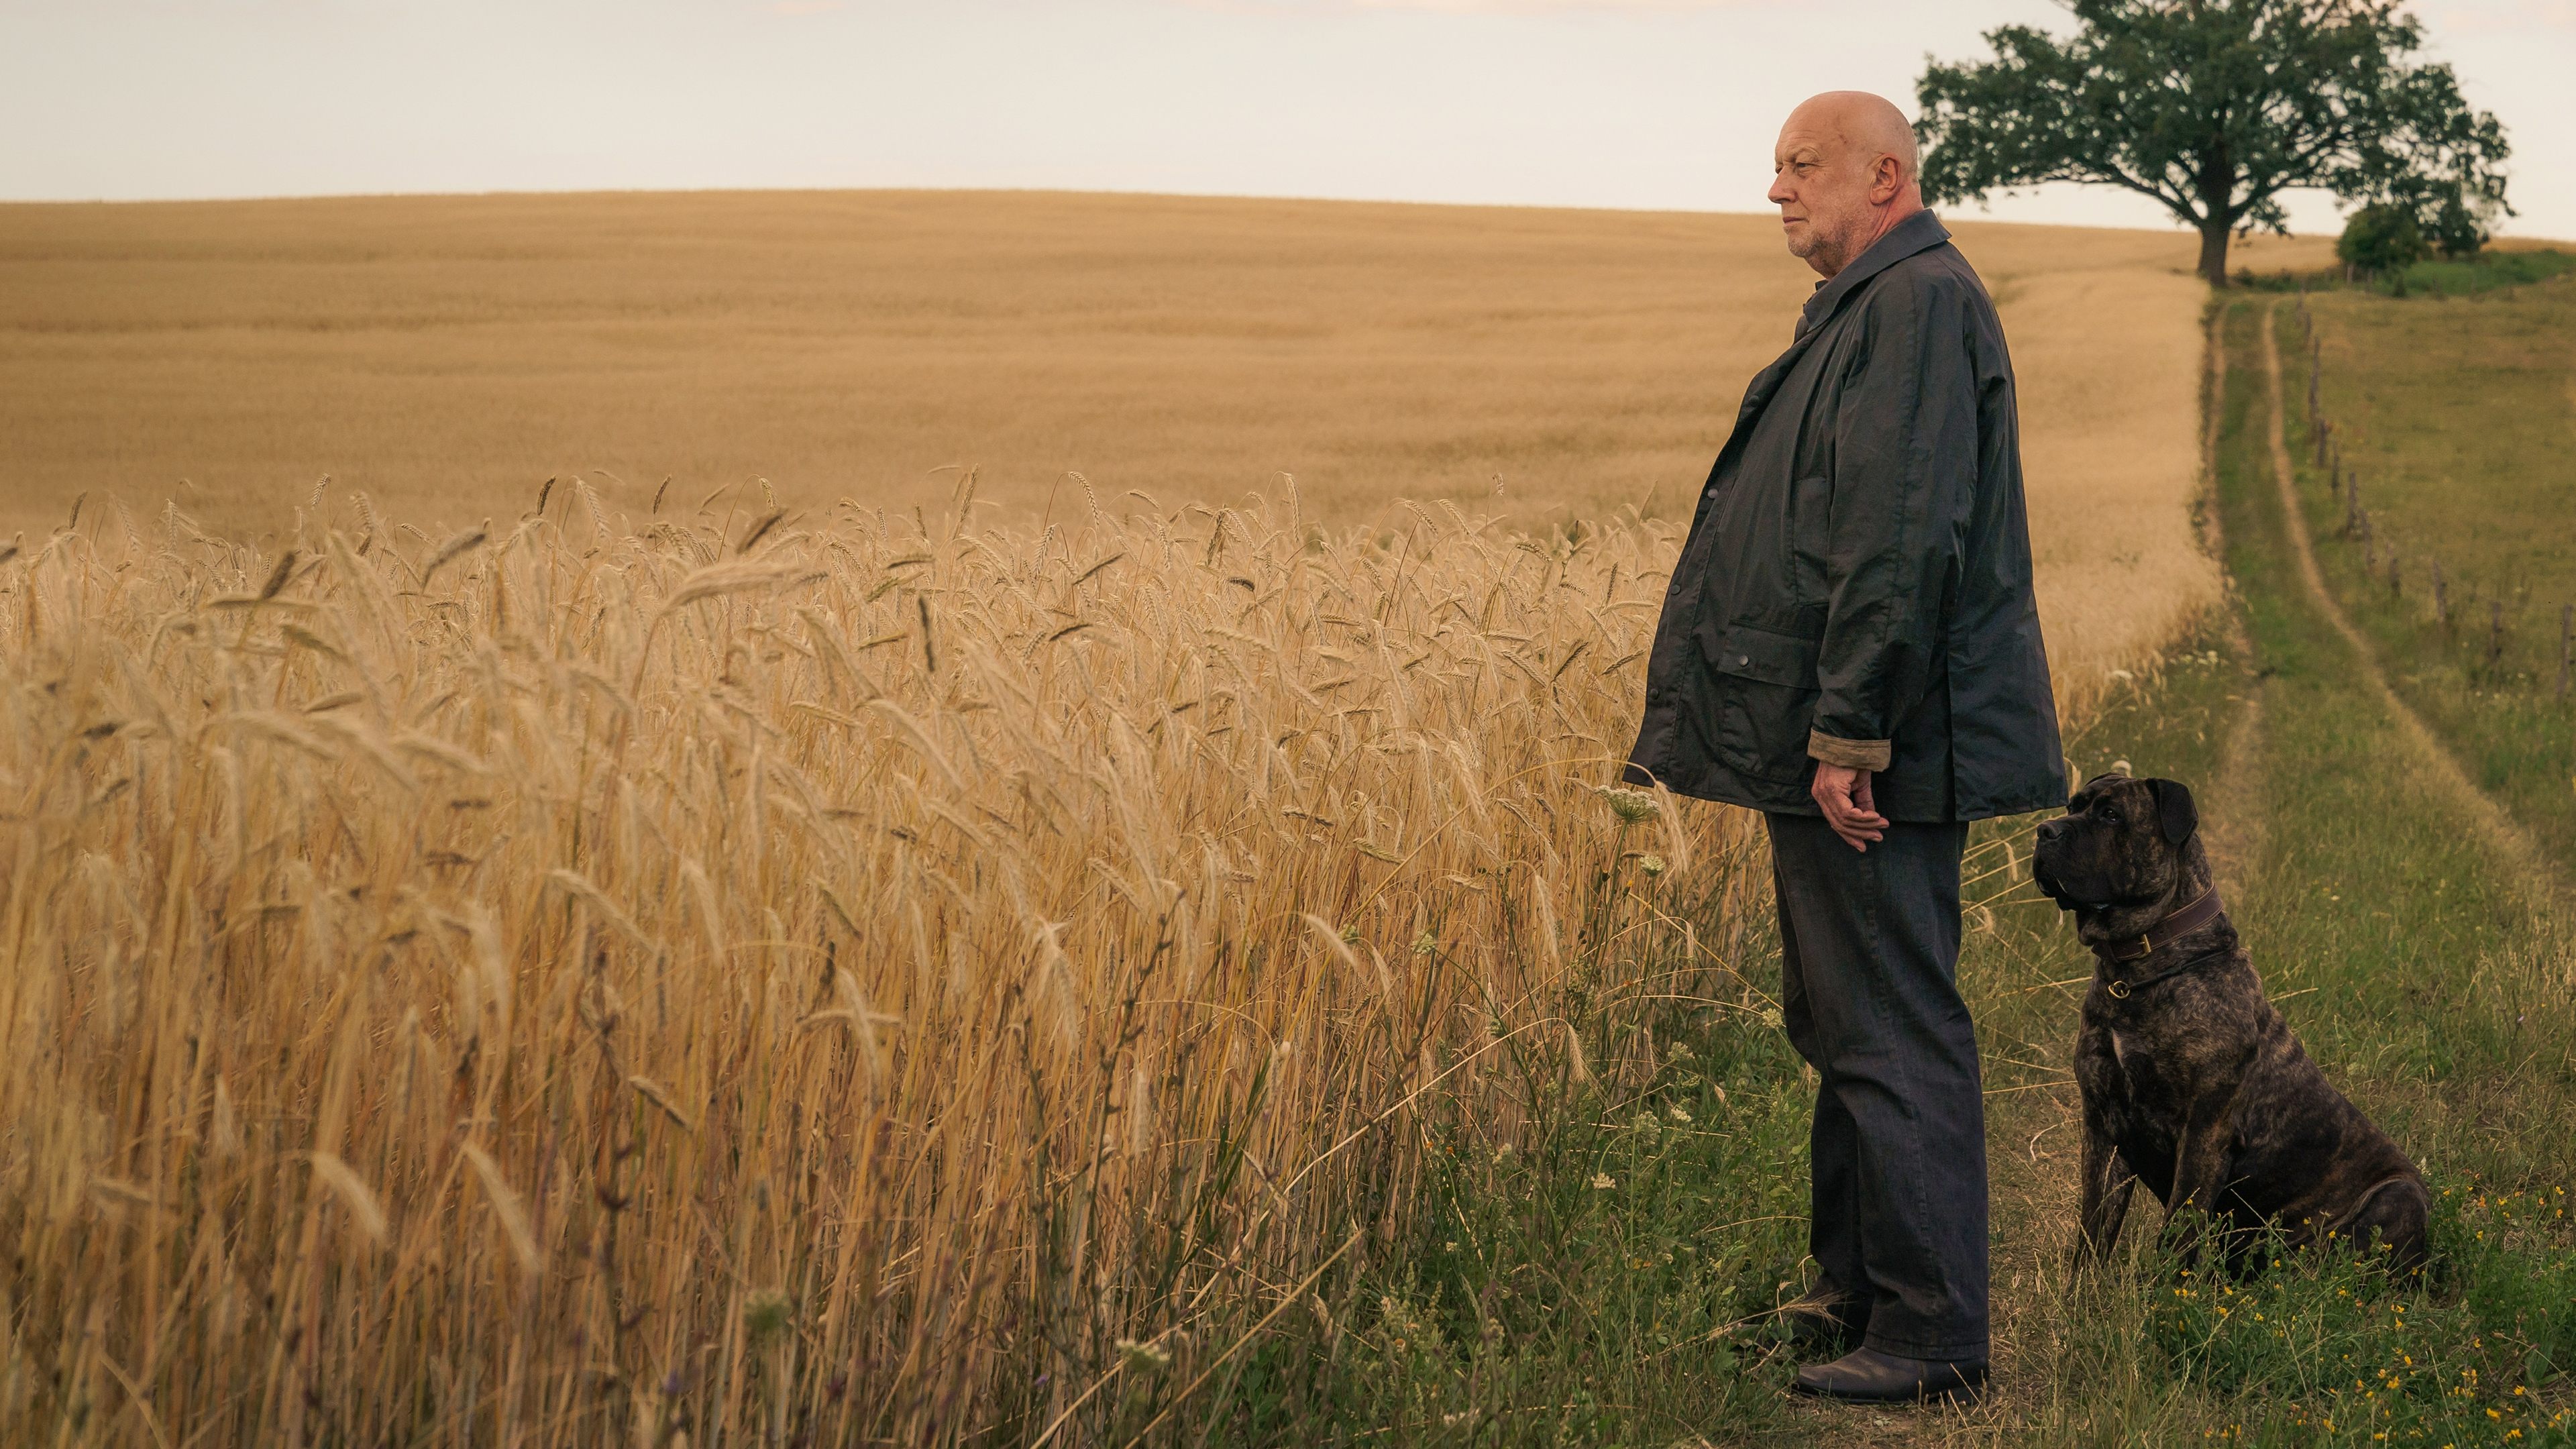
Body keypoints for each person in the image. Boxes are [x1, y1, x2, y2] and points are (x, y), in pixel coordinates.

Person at [1622, 91, 2065, 1403]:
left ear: (1885, 177)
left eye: (1800, 167)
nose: (1777, 191)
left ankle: (1931, 1337)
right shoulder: (1877, 305)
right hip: (1848, 737)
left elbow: (1899, 532)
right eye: (1773, 169)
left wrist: (1852, 731)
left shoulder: (1917, 306)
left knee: (1887, 1025)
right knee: (1840, 1020)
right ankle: (1854, 1298)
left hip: (1882, 748)